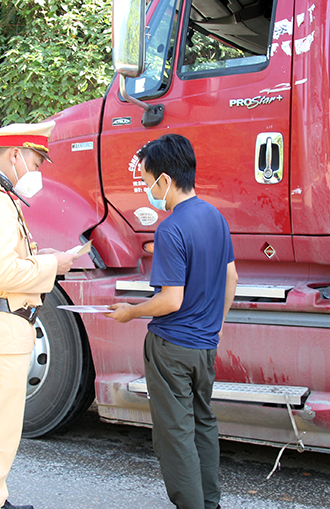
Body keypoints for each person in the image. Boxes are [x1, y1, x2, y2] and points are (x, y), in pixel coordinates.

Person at [0, 121, 80, 509]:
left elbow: (0, 265)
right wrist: (52, 265)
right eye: (37, 162)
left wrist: (44, 260)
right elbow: (3, 273)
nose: (38, 172)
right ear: (16, 155)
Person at [107, 134, 238, 509]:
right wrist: (216, 323)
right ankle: (209, 503)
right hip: (204, 346)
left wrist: (130, 311)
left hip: (171, 349)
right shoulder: (215, 217)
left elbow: (170, 299)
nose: (149, 191)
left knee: (175, 435)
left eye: (148, 183)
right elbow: (232, 278)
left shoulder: (170, 229)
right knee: (202, 425)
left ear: (164, 180)